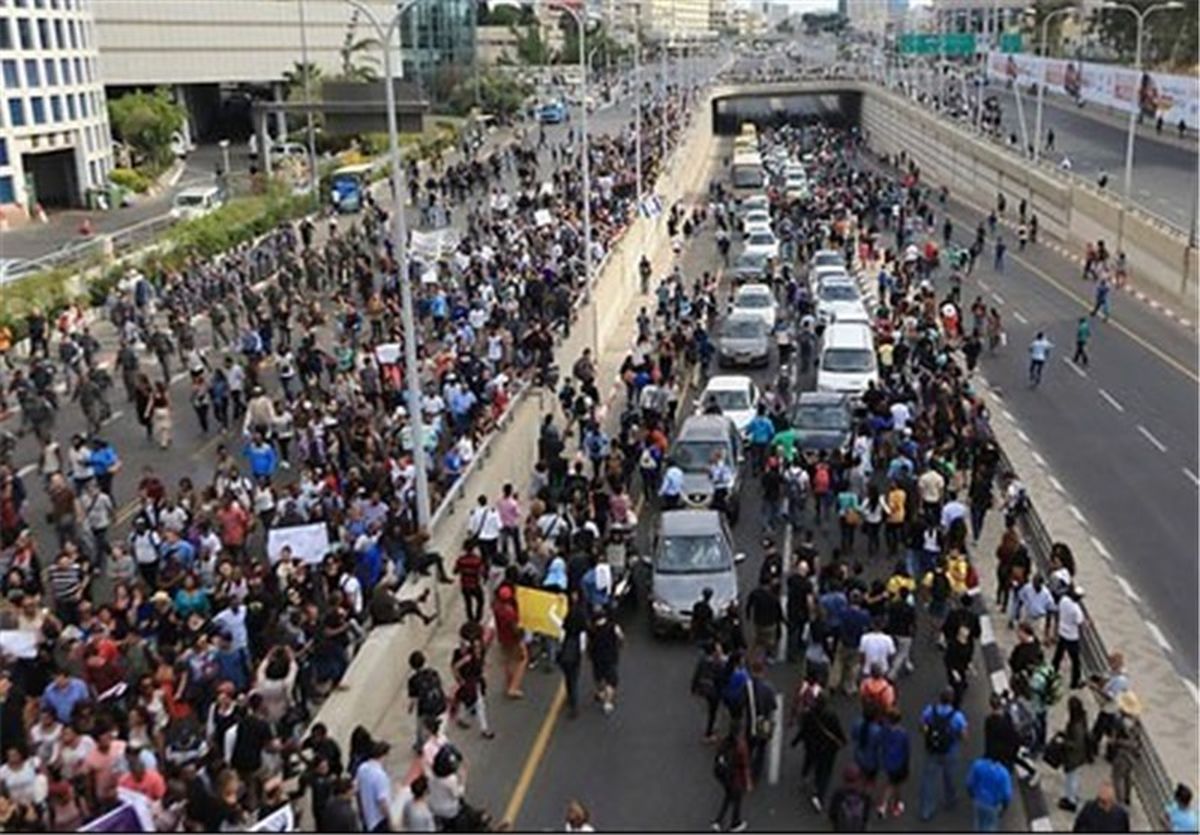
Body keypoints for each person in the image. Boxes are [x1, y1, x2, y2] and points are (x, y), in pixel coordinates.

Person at [918, 688, 968, 823]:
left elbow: (922, 725)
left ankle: (926, 809)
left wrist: (928, 734)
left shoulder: (930, 710)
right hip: (949, 749)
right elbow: (964, 735)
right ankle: (950, 800)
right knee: (949, 776)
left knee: (929, 779)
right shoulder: (957, 716)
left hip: (932, 749)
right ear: (951, 700)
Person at [1056, 696, 1092, 813]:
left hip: (1073, 756)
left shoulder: (1076, 725)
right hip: (1078, 755)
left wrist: (1063, 742)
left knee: (1070, 778)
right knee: (1073, 777)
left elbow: (1076, 743)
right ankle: (1071, 797)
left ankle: (1070, 800)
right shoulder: (1082, 718)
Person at [711, 728, 751, 832]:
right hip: (734, 777)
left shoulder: (725, 742)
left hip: (722, 775)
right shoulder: (741, 747)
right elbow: (745, 766)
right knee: (737, 797)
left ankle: (718, 821)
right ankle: (735, 823)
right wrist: (748, 783)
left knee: (728, 796)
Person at [966, 754, 1012, 832]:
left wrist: (973, 796)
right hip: (993, 805)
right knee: (991, 826)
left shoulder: (978, 765)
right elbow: (1006, 795)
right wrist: (1004, 808)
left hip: (979, 801)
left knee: (979, 824)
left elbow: (969, 783)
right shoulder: (1003, 773)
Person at [828, 765, 872, 832]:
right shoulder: (865, 797)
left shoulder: (839, 794)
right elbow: (866, 817)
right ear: (859, 779)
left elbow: (832, 814)